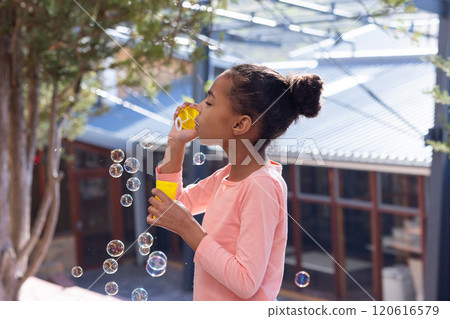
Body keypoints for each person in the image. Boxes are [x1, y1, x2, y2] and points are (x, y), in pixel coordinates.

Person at [147, 63, 323, 301]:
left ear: (240, 124)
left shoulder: (262, 186)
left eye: (209, 102)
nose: (198, 107)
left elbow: (246, 282)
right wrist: (175, 143)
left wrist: (188, 227)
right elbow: (168, 206)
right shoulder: (227, 176)